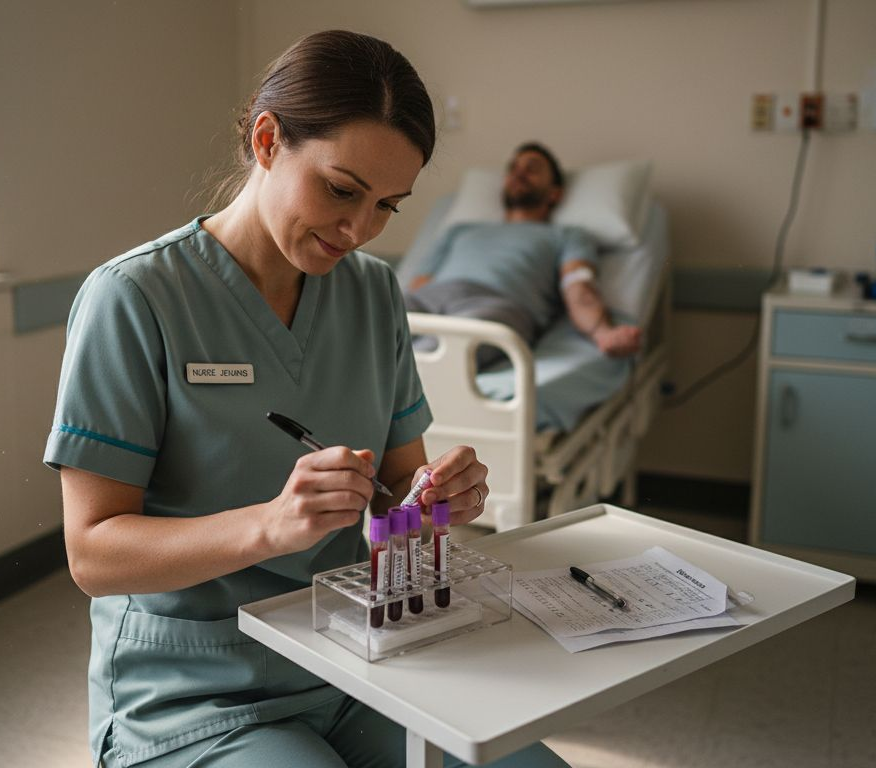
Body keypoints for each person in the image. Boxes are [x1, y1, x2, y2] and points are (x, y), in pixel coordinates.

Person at [44, 30, 570, 768]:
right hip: (195, 688)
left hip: (354, 659)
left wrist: (431, 502)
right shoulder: (135, 299)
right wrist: (269, 526)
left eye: (388, 204)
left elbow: (398, 498)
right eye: (342, 190)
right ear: (267, 141)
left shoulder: (374, 293)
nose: (359, 230)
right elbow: (93, 553)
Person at [405, 143, 641, 362]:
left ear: (554, 193)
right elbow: (419, 286)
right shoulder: (460, 230)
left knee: (439, 351)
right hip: (434, 296)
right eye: (513, 168)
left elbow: (578, 287)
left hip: (497, 303)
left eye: (532, 169)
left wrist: (603, 332)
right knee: (376, 319)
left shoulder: (566, 235)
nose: (519, 173)